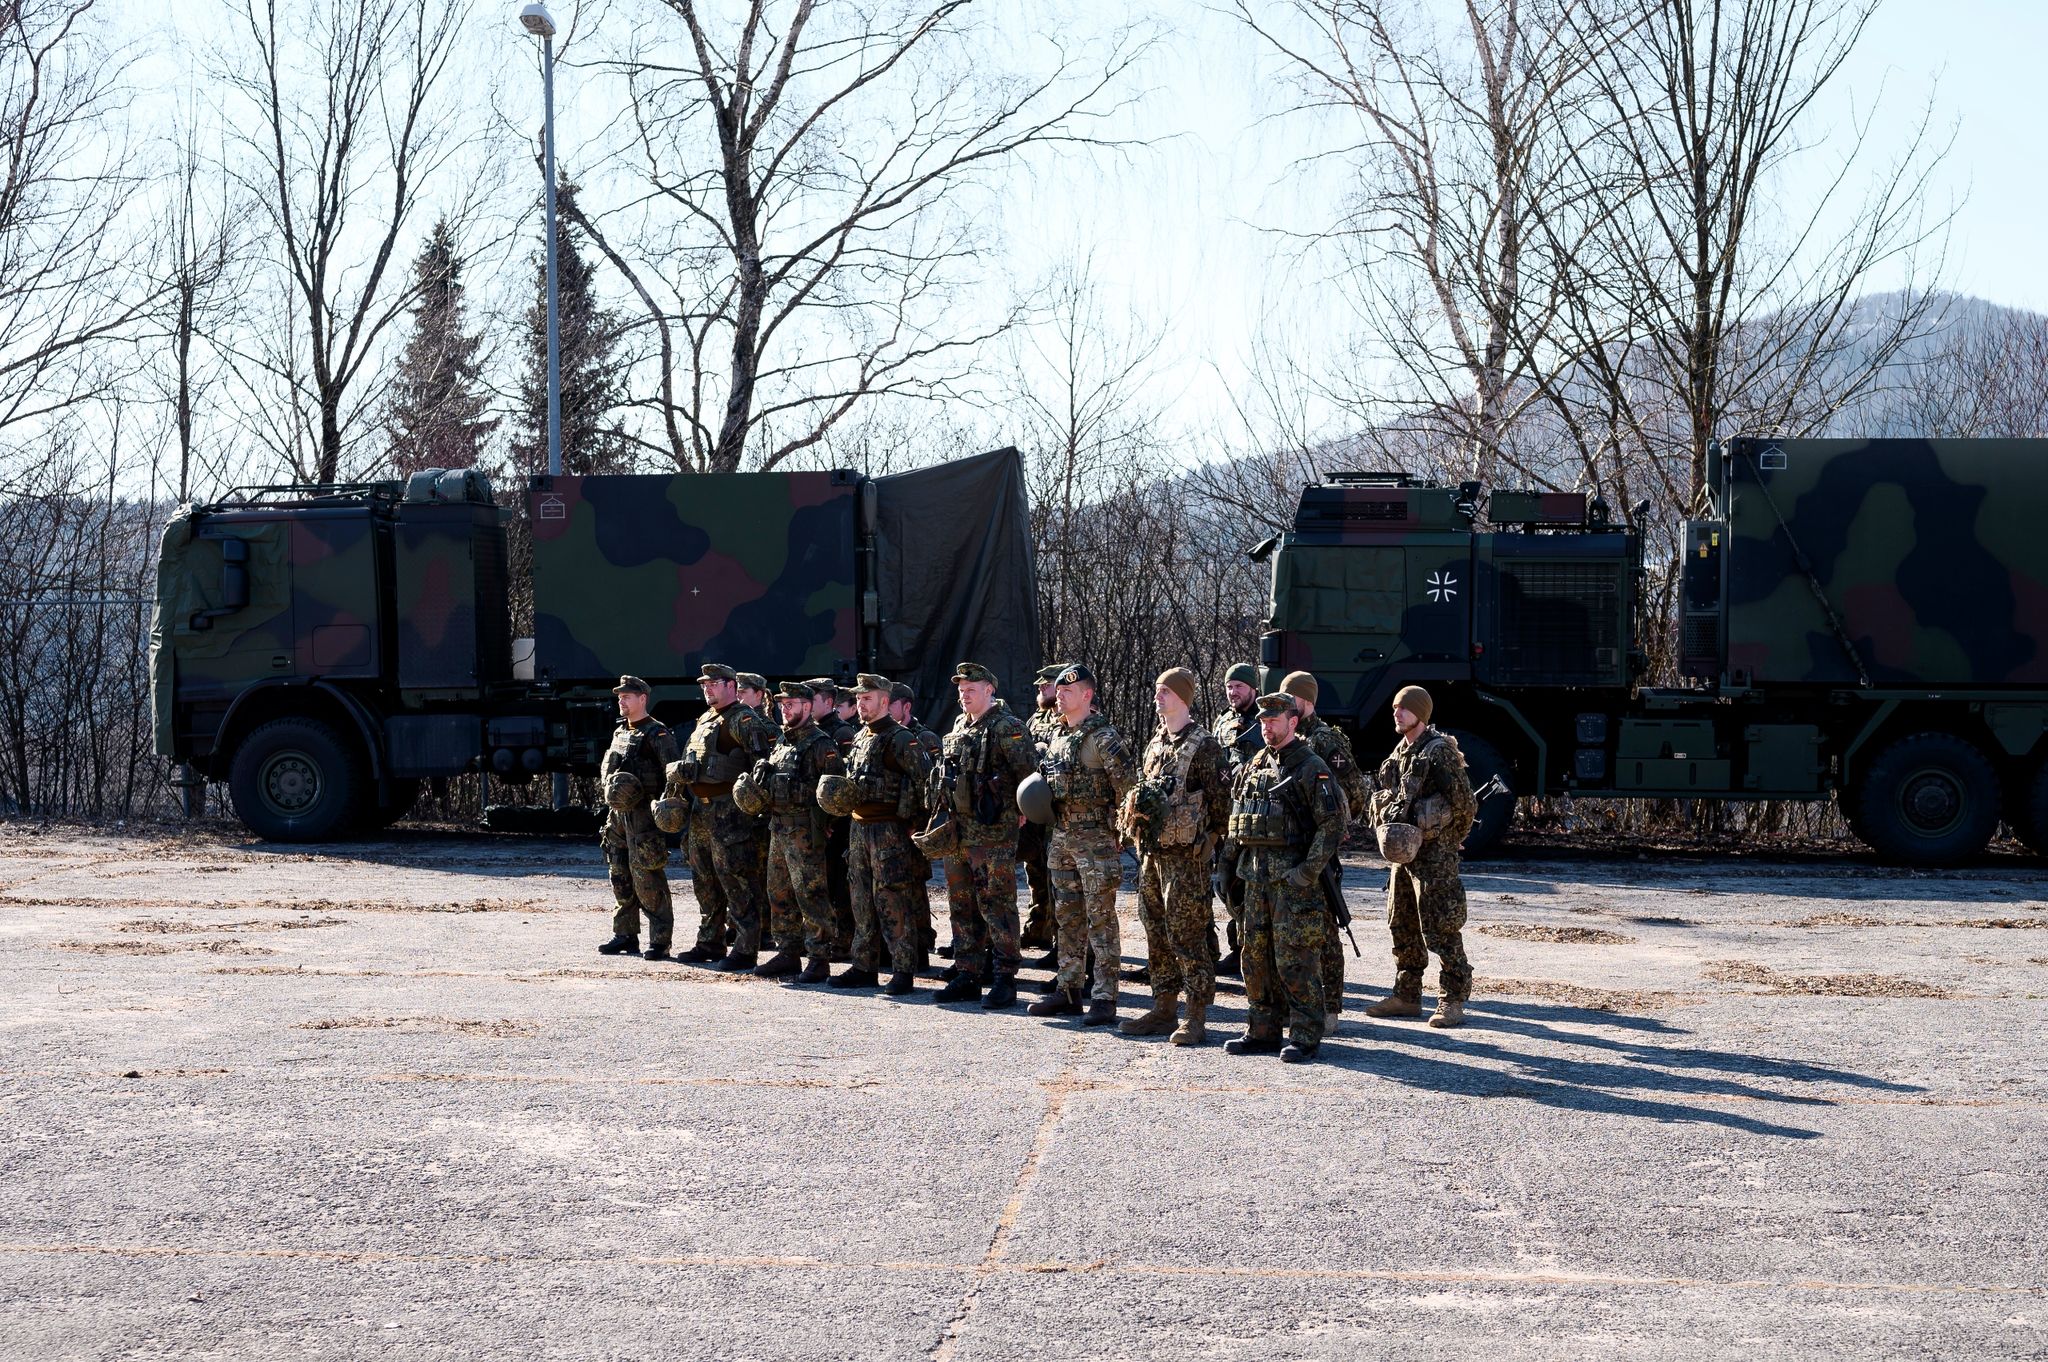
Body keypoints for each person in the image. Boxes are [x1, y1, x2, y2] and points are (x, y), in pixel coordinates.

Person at [1222, 692, 1346, 1062]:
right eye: (1262, 721)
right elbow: (1237, 818)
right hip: (1255, 878)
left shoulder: (1311, 767)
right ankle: (1262, 1029)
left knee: (1294, 958)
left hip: (1292, 883)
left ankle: (1306, 1033)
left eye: (1273, 721)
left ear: (1292, 722)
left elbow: (1332, 824)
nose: (1266, 727)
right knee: (1254, 957)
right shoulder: (1255, 763)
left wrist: (1306, 873)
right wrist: (1226, 866)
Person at [1120, 668, 1230, 1045]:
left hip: (1187, 859)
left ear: (1183, 697)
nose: (1158, 698)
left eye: (1165, 692)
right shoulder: (1156, 744)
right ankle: (1163, 1007)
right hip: (1153, 856)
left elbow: (1221, 804)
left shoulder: (1205, 747)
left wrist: (1210, 840)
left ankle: (1196, 1015)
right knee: (1155, 931)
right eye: (1156, 691)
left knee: (1188, 934)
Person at [1027, 664, 1138, 1026]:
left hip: (1096, 842)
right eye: (1058, 691)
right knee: (1066, 918)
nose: (1059, 695)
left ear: (1087, 696)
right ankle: (1069, 989)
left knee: (1101, 920)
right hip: (1061, 837)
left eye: (1067, 691)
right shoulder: (1059, 736)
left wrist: (1121, 834)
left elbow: (1129, 789)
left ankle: (1105, 997)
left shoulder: (1103, 738)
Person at [924, 662, 1038, 1010]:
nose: (963, 694)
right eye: (960, 689)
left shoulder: (1009, 728)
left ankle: (1005, 977)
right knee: (960, 903)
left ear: (990, 689)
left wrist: (1020, 813)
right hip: (959, 832)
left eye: (970, 688)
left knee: (997, 904)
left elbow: (1029, 777)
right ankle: (968, 973)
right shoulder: (961, 727)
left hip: (992, 833)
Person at [1363, 685, 1478, 1029]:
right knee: (1403, 924)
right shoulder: (1400, 752)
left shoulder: (1437, 752)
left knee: (1441, 927)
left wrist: (1451, 840)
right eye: (1395, 707)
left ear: (1421, 714)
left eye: (1403, 709)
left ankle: (1452, 999)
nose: (1396, 713)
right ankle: (1407, 996)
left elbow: (1465, 803)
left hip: (1434, 855)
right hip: (1404, 855)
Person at [1278, 670, 1371, 1035]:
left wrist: (1337, 825)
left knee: (1325, 932)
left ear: (1307, 701)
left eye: (1291, 697)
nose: (1285, 702)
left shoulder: (1324, 740)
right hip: (1289, 846)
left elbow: (1356, 794)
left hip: (1320, 846)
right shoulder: (1285, 735)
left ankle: (1330, 1006)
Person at [829, 674, 934, 995]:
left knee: (892, 900)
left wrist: (916, 827)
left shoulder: (901, 739)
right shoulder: (861, 737)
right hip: (860, 828)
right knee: (860, 899)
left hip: (890, 831)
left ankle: (903, 969)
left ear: (885, 702)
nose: (861, 705)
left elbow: (926, 784)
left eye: (867, 699)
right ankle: (864, 966)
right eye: (859, 700)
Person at [673, 662, 778, 970]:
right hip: (701, 810)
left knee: (736, 879)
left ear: (731, 686)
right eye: (704, 684)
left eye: (714, 684)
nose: (707, 688)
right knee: (703, 878)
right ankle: (710, 941)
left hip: (729, 811)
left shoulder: (743, 719)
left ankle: (746, 948)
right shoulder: (706, 718)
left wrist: (755, 809)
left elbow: (762, 765)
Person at [750, 682, 846, 983]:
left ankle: (819, 958)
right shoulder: (782, 741)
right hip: (778, 829)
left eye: (791, 704)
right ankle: (788, 952)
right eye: (782, 704)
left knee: (811, 895)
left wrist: (827, 824)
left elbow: (836, 791)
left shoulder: (821, 744)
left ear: (807, 707)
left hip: (805, 832)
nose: (785, 708)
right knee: (778, 893)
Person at [596, 676, 681, 960]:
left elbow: (673, 775)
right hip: (617, 816)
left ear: (642, 698)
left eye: (627, 696)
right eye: (620, 696)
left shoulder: (657, 734)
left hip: (643, 816)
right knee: (619, 874)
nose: (621, 700)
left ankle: (660, 941)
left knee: (647, 877)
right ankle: (625, 934)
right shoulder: (620, 732)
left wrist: (666, 811)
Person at [1210, 662, 1264, 974]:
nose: (1233, 692)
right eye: (1229, 687)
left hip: (1254, 819)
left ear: (1252, 688)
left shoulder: (1265, 720)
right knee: (1227, 885)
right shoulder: (1223, 722)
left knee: (1250, 887)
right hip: (1228, 819)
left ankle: (1252, 951)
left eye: (1239, 687)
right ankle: (1237, 948)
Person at [891, 681, 945, 962]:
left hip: (914, 827)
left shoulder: (925, 739)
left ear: (906, 706)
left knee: (914, 887)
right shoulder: (885, 735)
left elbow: (932, 788)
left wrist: (922, 825)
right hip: (891, 826)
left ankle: (922, 945)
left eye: (891, 703)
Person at [806, 678, 858, 960]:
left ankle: (843, 939)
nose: (807, 705)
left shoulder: (841, 732)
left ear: (828, 702)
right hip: (815, 822)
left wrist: (833, 822)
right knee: (819, 882)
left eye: (811, 699)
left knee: (839, 883)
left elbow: (842, 783)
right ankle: (823, 937)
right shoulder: (809, 732)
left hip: (835, 823)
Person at [1018, 664, 1065, 960]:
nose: (1041, 690)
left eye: (1046, 685)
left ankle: (1063, 942)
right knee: (1034, 871)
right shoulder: (1036, 719)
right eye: (1039, 687)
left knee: (1057, 877)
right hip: (1036, 807)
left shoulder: (1068, 718)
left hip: (1057, 809)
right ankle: (1038, 928)